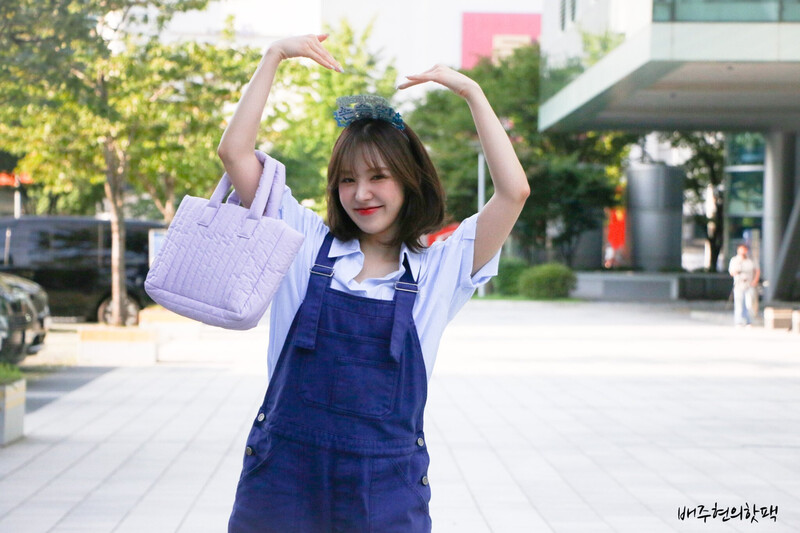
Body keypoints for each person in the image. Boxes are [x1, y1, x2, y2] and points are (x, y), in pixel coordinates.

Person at [217, 34, 529, 532]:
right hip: (283, 482)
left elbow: (513, 192)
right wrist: (273, 55)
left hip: (383, 491)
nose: (360, 194)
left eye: (378, 176)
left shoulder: (438, 271)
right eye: (346, 179)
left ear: (409, 181)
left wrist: (473, 93)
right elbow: (235, 154)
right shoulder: (301, 242)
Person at [728, 244, 760, 327]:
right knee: (739, 303)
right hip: (739, 284)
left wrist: (755, 281)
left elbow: (757, 270)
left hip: (749, 284)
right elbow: (731, 272)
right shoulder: (735, 260)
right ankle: (739, 321)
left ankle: (748, 321)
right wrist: (737, 269)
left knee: (749, 303)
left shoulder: (750, 260)